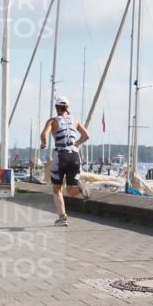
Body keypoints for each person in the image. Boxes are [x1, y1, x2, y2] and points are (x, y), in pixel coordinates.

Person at [39, 95, 90, 226]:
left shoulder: (52, 121)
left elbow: (44, 135)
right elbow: (86, 135)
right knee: (71, 191)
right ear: (67, 107)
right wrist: (77, 143)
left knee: (57, 190)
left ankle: (62, 218)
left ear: (57, 107)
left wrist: (44, 143)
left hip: (61, 155)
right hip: (75, 155)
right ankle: (80, 187)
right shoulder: (75, 120)